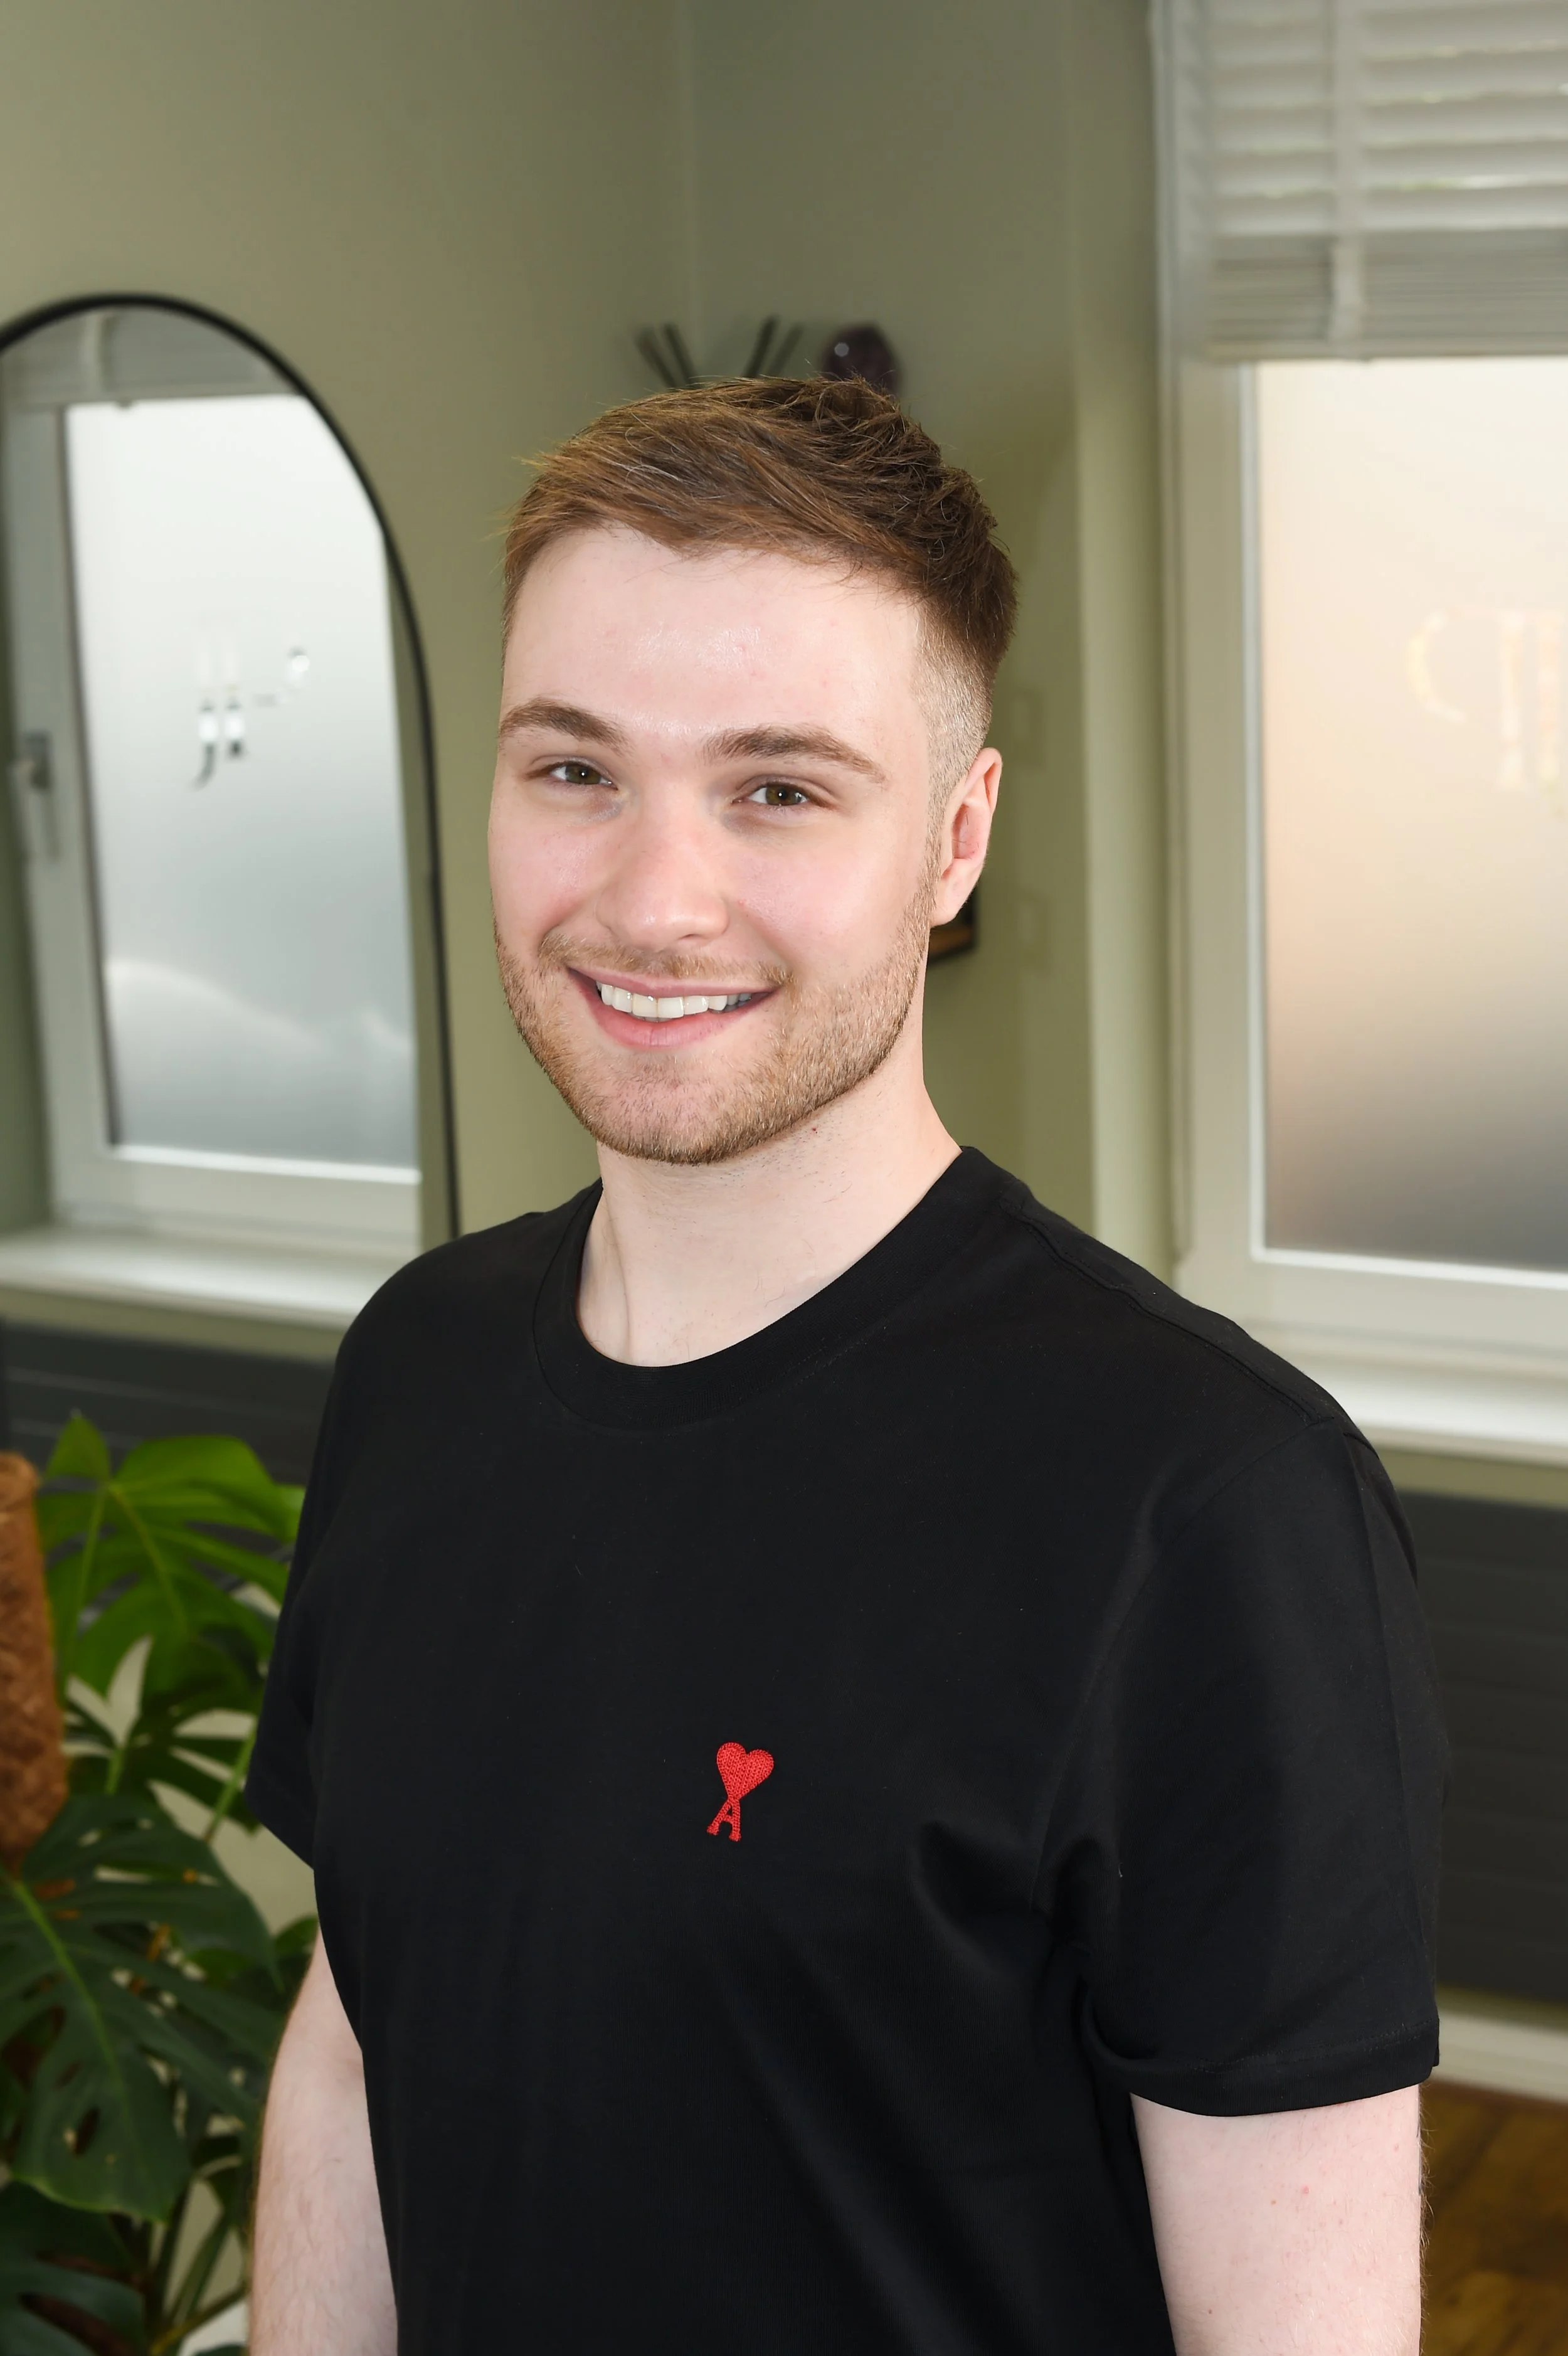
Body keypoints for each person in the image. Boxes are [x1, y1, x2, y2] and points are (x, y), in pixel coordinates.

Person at [248, 378, 1443, 2355]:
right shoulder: (418, 1369)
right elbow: (356, 2044)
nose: (650, 896)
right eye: (573, 770)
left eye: (778, 788)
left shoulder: (1203, 1501)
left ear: (954, 841)